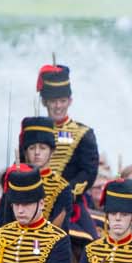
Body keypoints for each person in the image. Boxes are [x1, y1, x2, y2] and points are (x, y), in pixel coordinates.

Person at [36, 63, 100, 235]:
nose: (58, 106)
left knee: (93, 247)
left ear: (70, 101)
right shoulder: (33, 131)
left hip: (69, 202)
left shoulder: (83, 133)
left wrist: (65, 192)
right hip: (33, 202)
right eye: (53, 101)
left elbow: (89, 172)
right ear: (45, 102)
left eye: (62, 101)